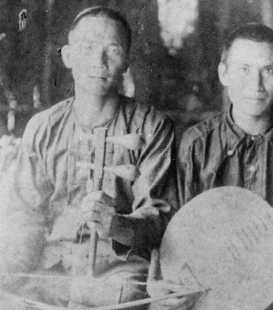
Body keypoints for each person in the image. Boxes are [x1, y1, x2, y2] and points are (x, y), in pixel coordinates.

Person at [0, 6, 178, 309]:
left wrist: (118, 225)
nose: (99, 61)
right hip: (51, 269)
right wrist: (9, 270)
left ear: (127, 62)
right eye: (88, 48)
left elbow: (159, 217)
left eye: (113, 49)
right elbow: (21, 214)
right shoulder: (44, 127)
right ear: (68, 56)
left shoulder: (151, 127)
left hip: (119, 277)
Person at [164, 23, 273, 310]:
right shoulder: (196, 144)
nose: (256, 85)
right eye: (244, 69)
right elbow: (177, 232)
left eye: (268, 70)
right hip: (212, 291)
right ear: (224, 73)